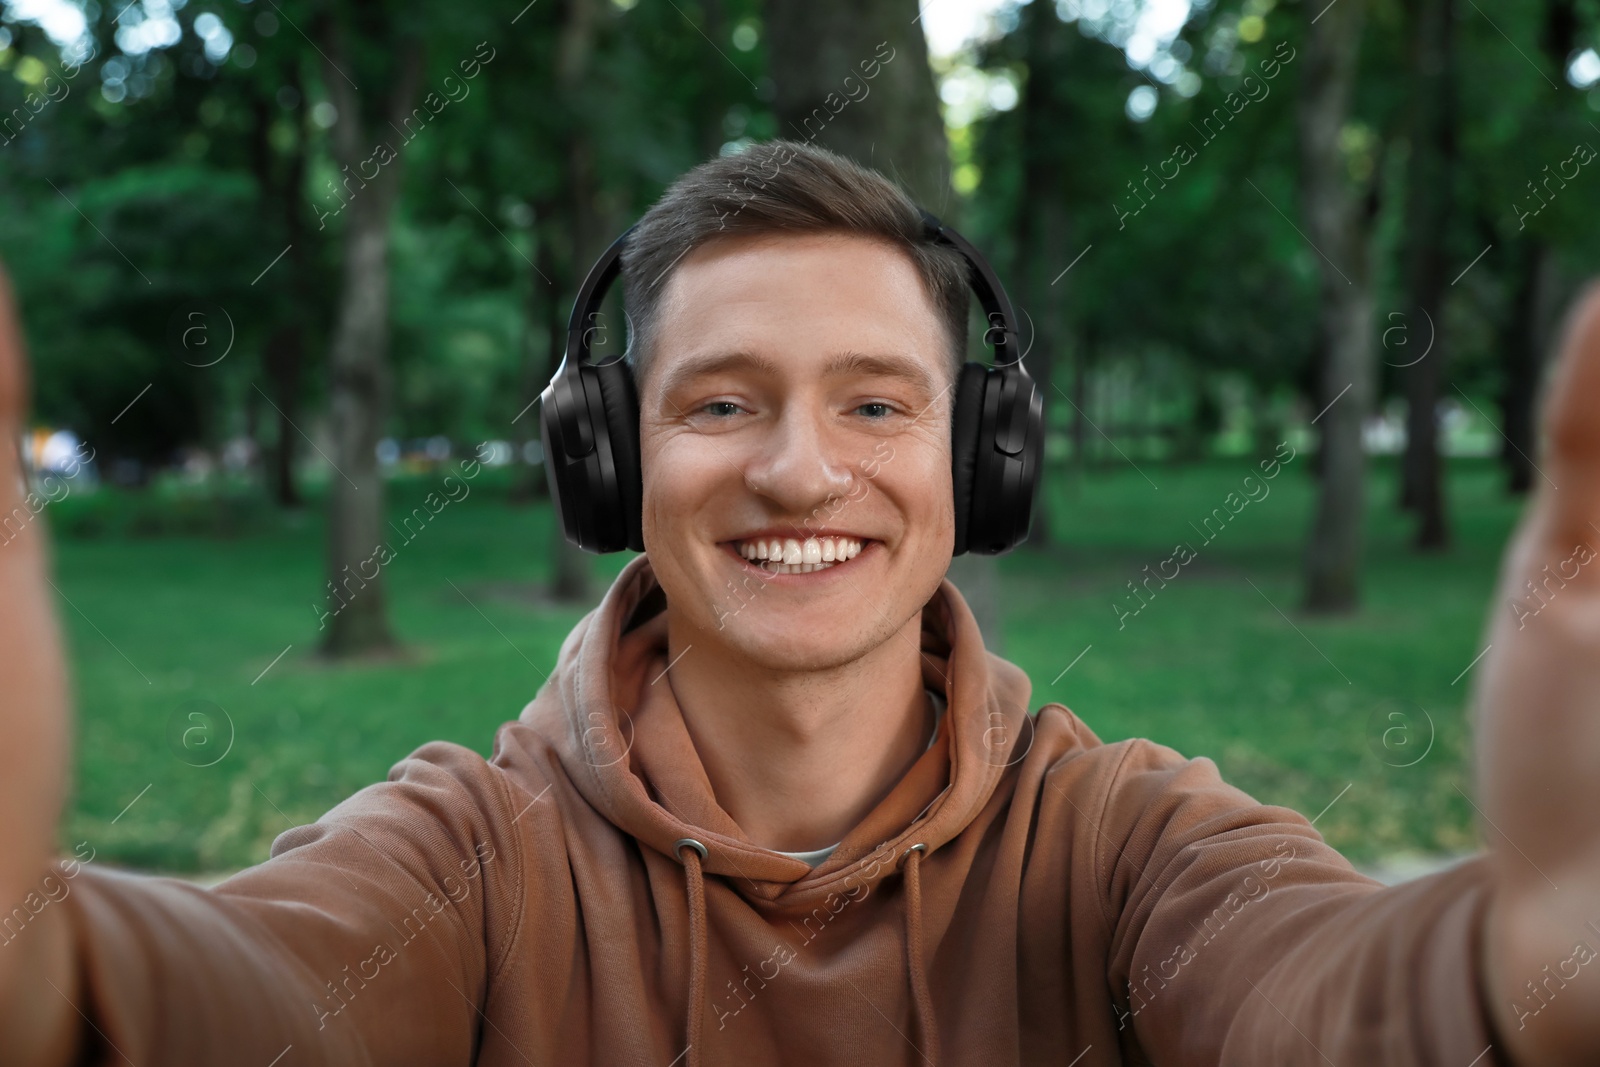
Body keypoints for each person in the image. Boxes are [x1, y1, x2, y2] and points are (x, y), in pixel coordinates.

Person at [2, 139, 1598, 1066]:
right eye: (720, 406)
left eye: (878, 406)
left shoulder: (1123, 841)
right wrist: (35, 959)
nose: (798, 471)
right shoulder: (471, 856)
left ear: (983, 459)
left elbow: (1322, 993)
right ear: (607, 458)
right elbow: (252, 991)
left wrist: (1525, 965)